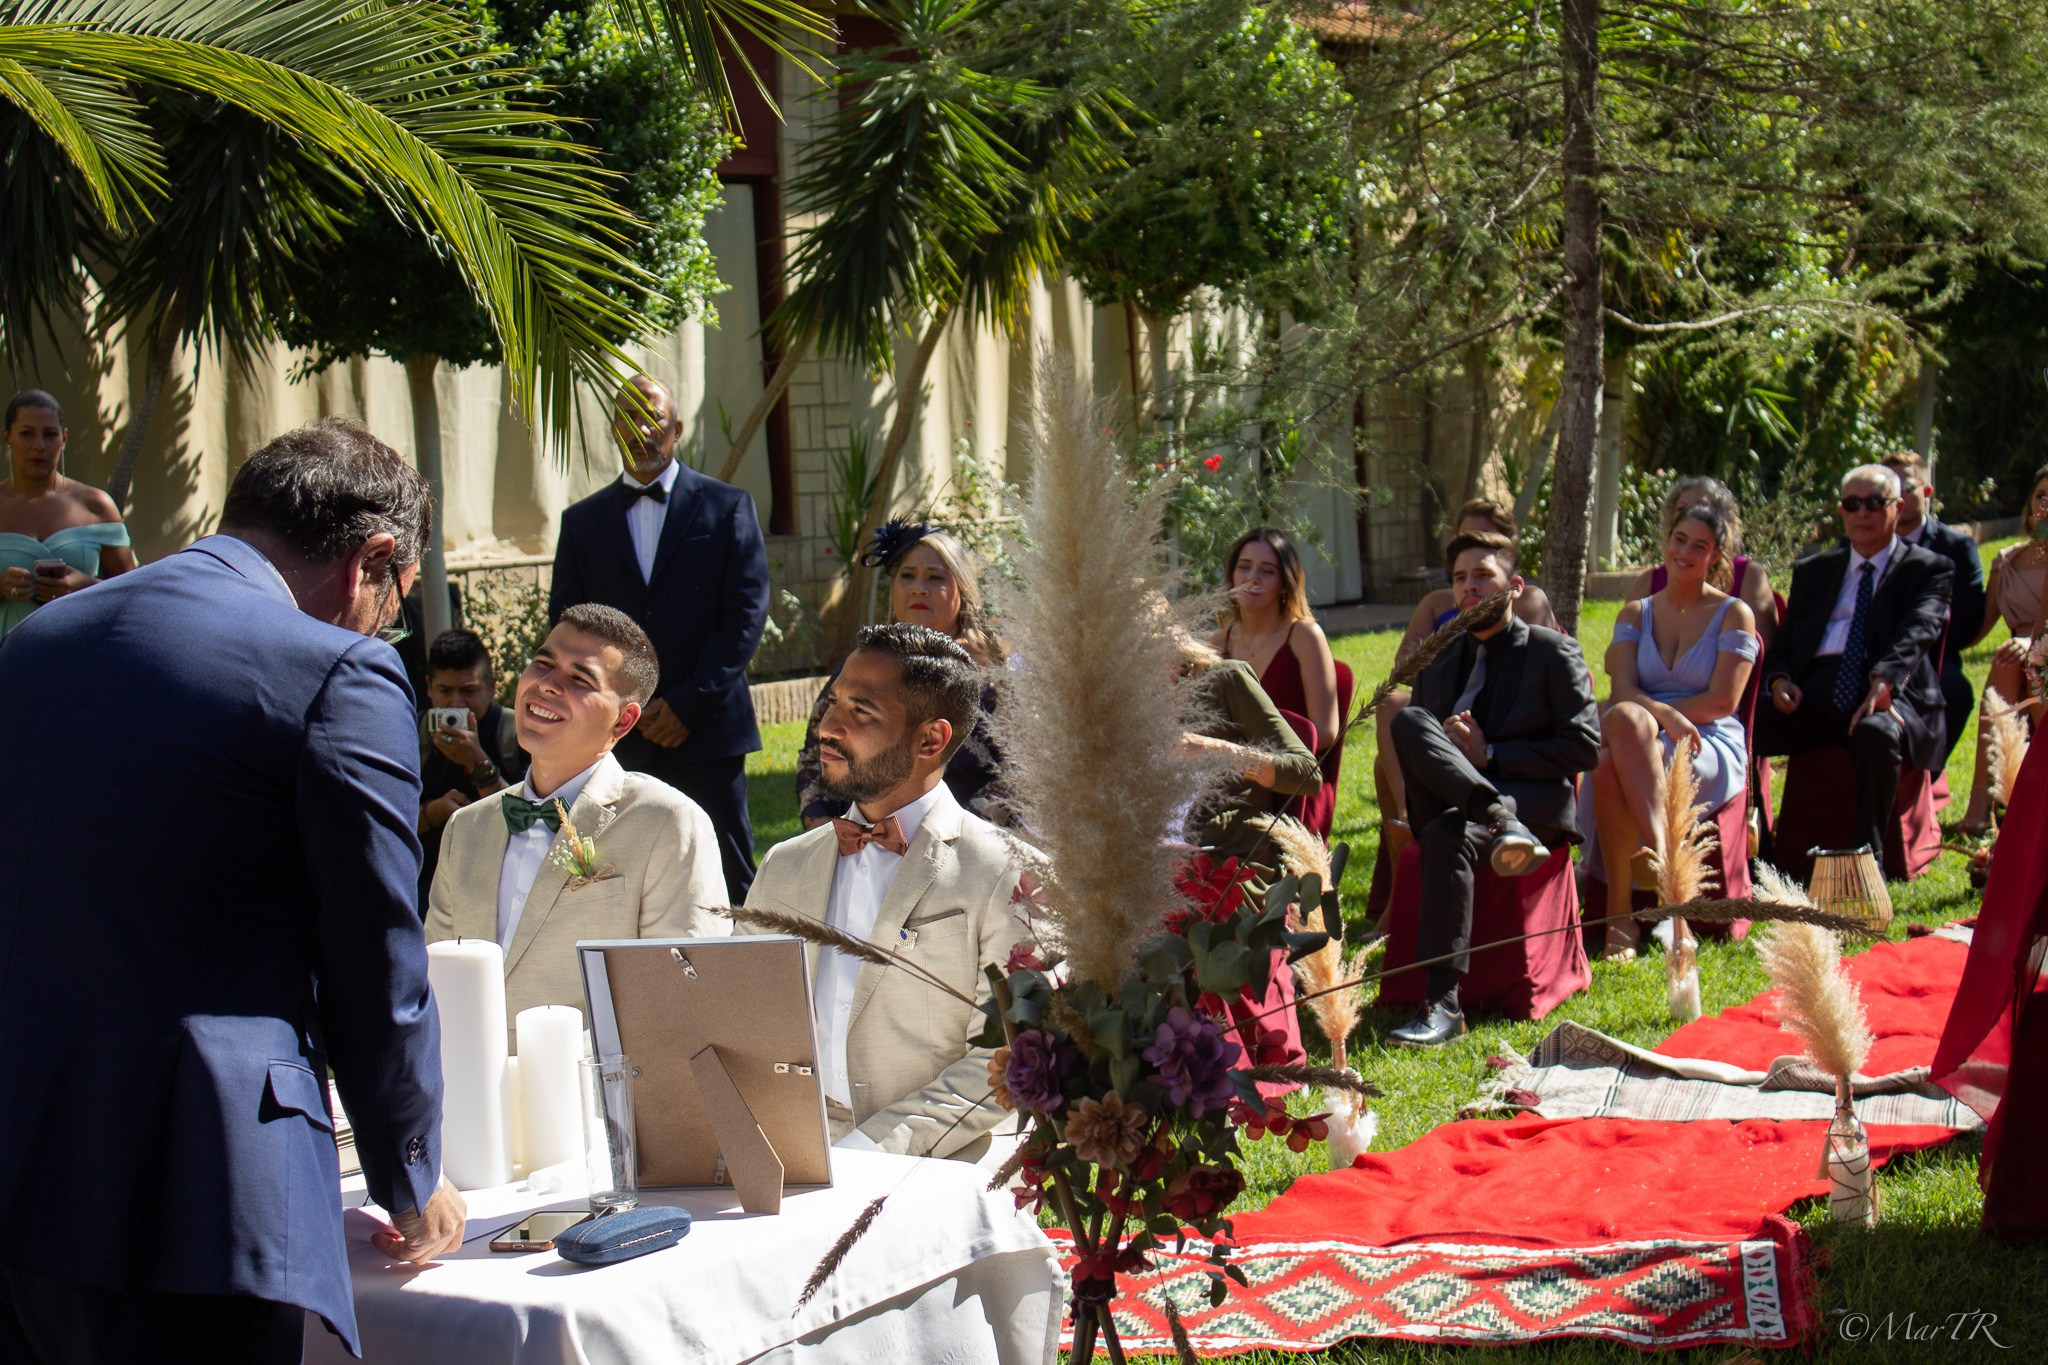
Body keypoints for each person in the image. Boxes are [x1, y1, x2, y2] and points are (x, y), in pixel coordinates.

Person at [0, 420, 464, 1362]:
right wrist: (411, 1170)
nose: (389, 628)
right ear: (371, 561)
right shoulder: (336, 668)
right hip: (203, 1190)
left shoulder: (35, 644)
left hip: (24, 1165)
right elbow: (373, 952)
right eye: (399, 603)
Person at [743, 624, 1035, 1158]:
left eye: (861, 712)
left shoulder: (1005, 873)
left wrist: (867, 1155)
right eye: (833, 704)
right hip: (790, 1149)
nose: (828, 727)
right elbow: (741, 1019)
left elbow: (1005, 1061)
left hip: (943, 1158)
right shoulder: (785, 866)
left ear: (931, 740)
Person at [426, 605, 729, 1024]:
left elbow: (684, 999)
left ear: (623, 721)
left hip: (589, 1084)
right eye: (543, 663)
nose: (547, 685)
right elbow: (435, 978)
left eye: (579, 679)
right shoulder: (467, 827)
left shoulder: (667, 822)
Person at [549, 374, 770, 898]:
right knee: (617, 875)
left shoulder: (727, 506)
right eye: (629, 419)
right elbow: (569, 622)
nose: (643, 431)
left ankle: (747, 974)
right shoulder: (581, 523)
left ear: (677, 431)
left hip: (706, 726)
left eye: (655, 420)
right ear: (614, 430)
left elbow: (745, 613)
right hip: (619, 729)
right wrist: (619, 704)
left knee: (727, 868)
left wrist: (688, 704)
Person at [1385, 531, 1601, 1048]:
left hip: (1531, 806)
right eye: (1460, 578)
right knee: (1410, 719)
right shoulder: (1439, 657)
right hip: (1457, 799)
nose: (1469, 588)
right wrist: (1465, 766)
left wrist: (1492, 756)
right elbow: (1425, 746)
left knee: (1445, 837)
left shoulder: (1553, 652)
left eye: (1482, 575)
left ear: (1514, 586)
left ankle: (1442, 1005)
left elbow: (1585, 747)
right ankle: (1494, 812)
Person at [1755, 464, 1952, 875]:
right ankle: (1759, 848)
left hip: (1889, 690)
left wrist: (1885, 679)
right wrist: (1779, 681)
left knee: (1876, 734)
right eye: (1852, 504)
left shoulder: (1928, 568)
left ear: (1898, 508)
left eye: (1874, 503)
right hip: (1815, 692)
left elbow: (1919, 632)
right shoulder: (1814, 571)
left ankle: (1870, 860)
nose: (1862, 513)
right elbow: (1786, 644)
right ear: (1841, 511)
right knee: (1744, 726)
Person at [1591, 502, 1758, 959]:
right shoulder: (1634, 613)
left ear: (1716, 555)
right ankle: (1669, 881)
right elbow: (1622, 689)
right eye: (1679, 539)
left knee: (1608, 765)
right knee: (1625, 723)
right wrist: (1664, 716)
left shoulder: (1734, 613)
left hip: (1707, 735)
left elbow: (1725, 700)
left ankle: (1620, 918)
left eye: (1699, 546)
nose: (1685, 552)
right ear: (1667, 541)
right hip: (1643, 728)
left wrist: (1670, 719)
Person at [1375, 500, 1560, 864]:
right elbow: (1406, 665)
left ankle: (1471, 815)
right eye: (1465, 536)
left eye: (1486, 537)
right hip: (1444, 698)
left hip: (1502, 712)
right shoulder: (1436, 601)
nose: (1469, 582)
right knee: (1395, 705)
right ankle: (1408, 815)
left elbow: (1534, 664)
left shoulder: (1525, 598)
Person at [796, 522, 1010, 827]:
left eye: (935, 577)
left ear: (963, 590)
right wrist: (823, 829)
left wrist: (948, 834)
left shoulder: (996, 677)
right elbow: (814, 756)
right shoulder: (861, 666)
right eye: (907, 576)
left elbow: (1019, 776)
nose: (918, 588)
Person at [1209, 527, 1341, 839]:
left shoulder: (1305, 635)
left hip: (1291, 785)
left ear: (1285, 583)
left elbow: (1326, 731)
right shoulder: (1215, 643)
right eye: (1244, 567)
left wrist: (1254, 756)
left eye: (1267, 571)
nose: (1252, 578)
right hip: (1227, 780)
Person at [0, 389, 136, 644]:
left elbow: (135, 594)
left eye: (49, 434)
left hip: (81, 659)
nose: (38, 445)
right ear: (6, 437)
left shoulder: (95, 505)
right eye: (26, 434)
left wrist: (84, 587)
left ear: (64, 438)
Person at [1959, 463, 2048, 834]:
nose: (2047, 505)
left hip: (2041, 650)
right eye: (2042, 496)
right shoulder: (2008, 559)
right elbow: (1978, 629)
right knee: (2008, 662)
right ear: (2030, 504)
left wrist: (2035, 642)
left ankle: (2020, 802)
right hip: (2019, 654)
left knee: (2023, 663)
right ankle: (1981, 808)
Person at [1881, 451, 1983, 773]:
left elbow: (1967, 623)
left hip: (1931, 656)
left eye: (1906, 485)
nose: (1898, 495)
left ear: (1927, 491)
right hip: (1871, 650)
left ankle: (1925, 778)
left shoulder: (1956, 548)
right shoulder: (1865, 541)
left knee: (1955, 692)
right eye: (1889, 487)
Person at [416, 628, 528, 906]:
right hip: (425, 889)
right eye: (445, 691)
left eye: (469, 691)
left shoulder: (517, 735)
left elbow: (529, 824)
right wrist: (433, 812)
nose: (457, 704)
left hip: (501, 887)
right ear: (429, 687)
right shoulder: (411, 732)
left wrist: (477, 762)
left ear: (491, 687)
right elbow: (383, 827)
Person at [1622, 475, 1780, 651]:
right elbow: (1616, 658)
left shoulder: (1748, 576)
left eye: (1701, 506)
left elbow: (1766, 650)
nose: (1690, 515)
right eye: (1681, 508)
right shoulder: (1648, 582)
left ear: (1723, 519)